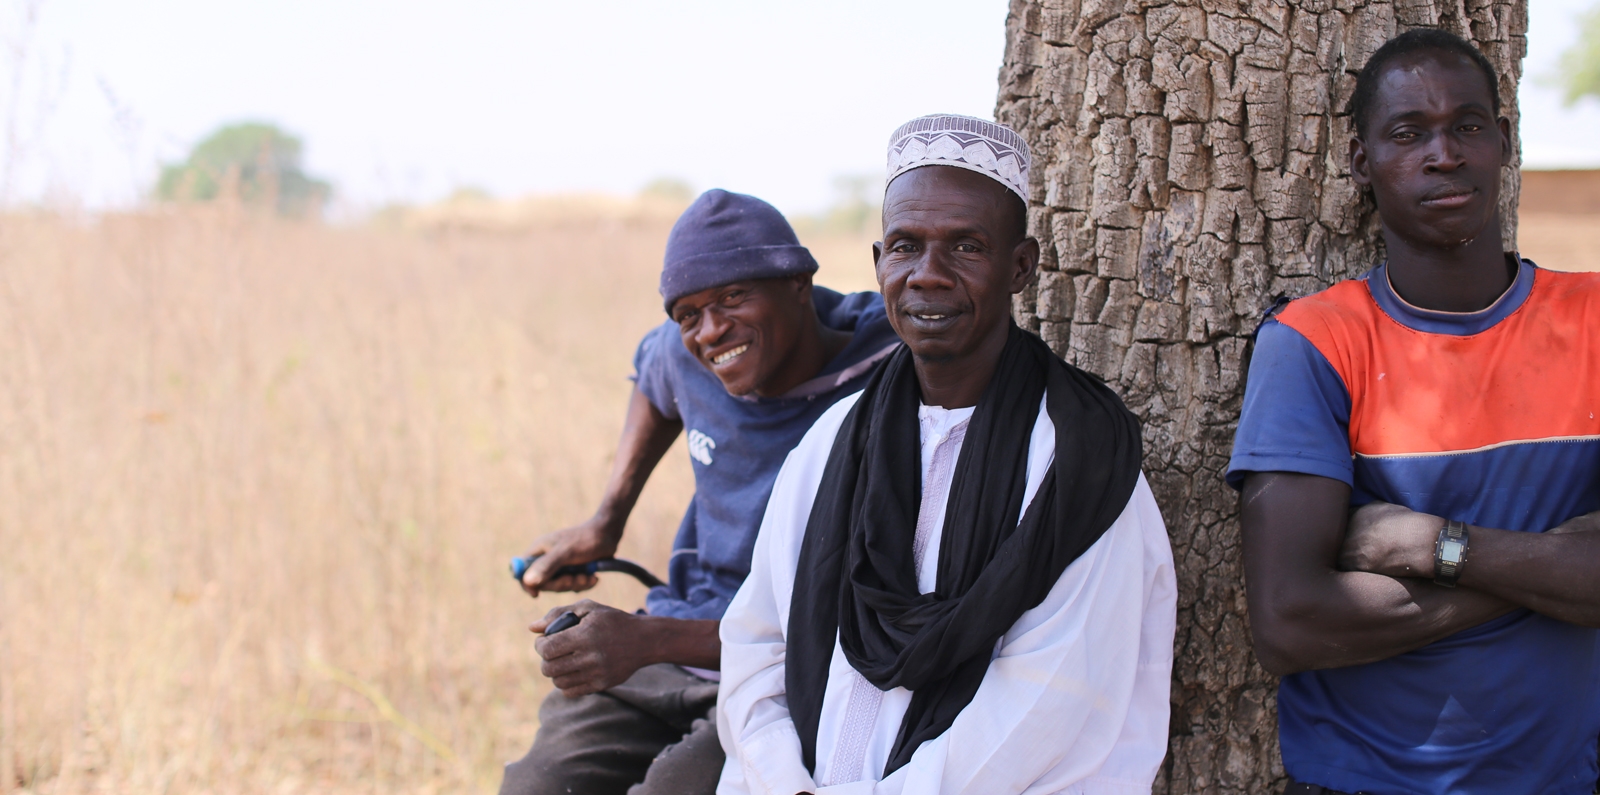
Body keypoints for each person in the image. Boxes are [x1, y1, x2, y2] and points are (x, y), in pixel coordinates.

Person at [716, 114, 1177, 795]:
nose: (927, 275)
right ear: (879, 264)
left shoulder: (1076, 459)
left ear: (1020, 266)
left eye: (965, 248)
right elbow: (757, 642)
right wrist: (786, 782)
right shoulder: (833, 441)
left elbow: (1048, 701)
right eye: (906, 247)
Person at [1228, 28, 1600, 795]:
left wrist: (1432, 544)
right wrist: (1555, 568)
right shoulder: (1314, 342)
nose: (1444, 154)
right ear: (1362, 162)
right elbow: (1290, 622)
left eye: (1467, 126)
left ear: (1501, 141)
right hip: (1360, 782)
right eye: (1408, 133)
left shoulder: (1592, 321)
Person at [501, 189, 901, 795]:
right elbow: (658, 368)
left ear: (798, 281)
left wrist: (645, 639)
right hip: (668, 649)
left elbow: (843, 626)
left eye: (732, 297)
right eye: (688, 314)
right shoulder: (690, 353)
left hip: (789, 674)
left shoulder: (891, 373)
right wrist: (606, 521)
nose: (710, 331)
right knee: (541, 785)